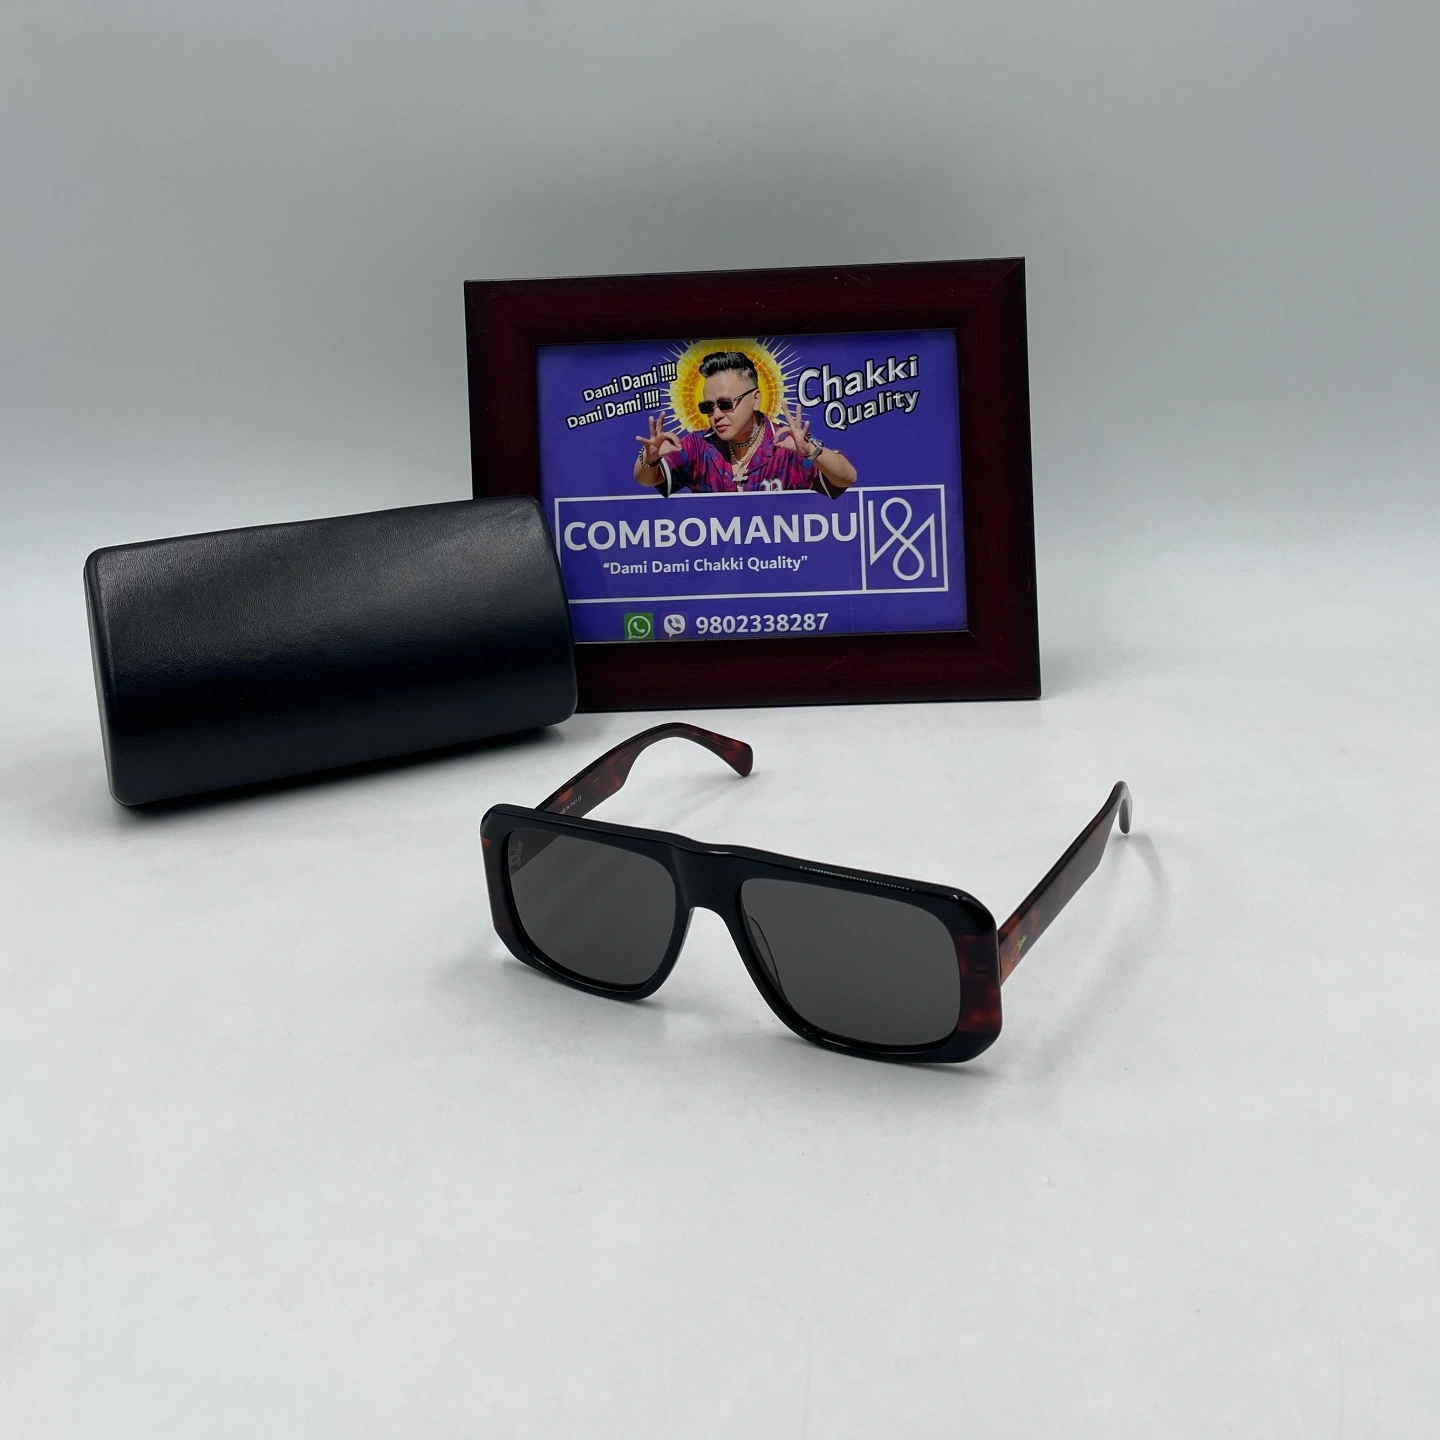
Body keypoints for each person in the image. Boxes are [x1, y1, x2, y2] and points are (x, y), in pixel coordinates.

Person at [633, 350, 858, 496]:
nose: (716, 415)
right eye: (708, 407)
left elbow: (847, 477)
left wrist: (810, 451)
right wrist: (649, 458)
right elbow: (646, 479)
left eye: (725, 404)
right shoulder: (698, 446)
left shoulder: (788, 444)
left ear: (756, 399)